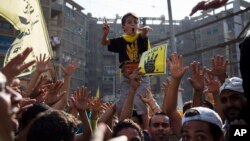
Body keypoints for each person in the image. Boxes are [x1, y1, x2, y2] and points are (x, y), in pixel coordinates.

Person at [101, 12, 152, 129]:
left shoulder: (141, 37)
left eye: (135, 22)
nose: (133, 24)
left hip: (141, 75)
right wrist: (105, 34)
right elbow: (105, 42)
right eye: (129, 22)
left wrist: (144, 31)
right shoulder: (121, 40)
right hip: (126, 76)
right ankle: (120, 127)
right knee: (121, 102)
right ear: (123, 27)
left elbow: (144, 40)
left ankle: (147, 129)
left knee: (141, 101)